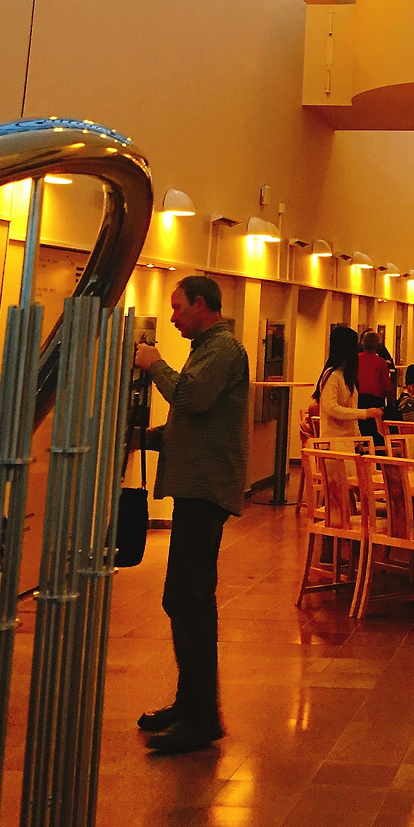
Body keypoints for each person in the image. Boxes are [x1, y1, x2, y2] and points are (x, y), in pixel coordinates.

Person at [133, 275, 249, 755]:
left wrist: (154, 363)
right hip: (195, 488)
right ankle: (191, 704)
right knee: (190, 598)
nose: (173, 316)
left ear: (201, 304)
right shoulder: (206, 349)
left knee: (187, 598)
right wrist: (147, 438)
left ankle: (201, 717)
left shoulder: (223, 349)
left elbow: (189, 398)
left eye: (178, 307)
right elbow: (193, 421)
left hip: (205, 490)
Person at [313, 325, 384, 444]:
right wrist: (365, 413)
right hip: (333, 443)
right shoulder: (332, 376)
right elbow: (332, 409)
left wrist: (358, 438)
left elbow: (352, 412)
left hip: (350, 442)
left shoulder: (347, 376)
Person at [356, 330, 394, 414]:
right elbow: (387, 384)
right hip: (376, 399)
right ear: (377, 346)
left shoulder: (356, 359)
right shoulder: (381, 362)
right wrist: (391, 404)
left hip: (359, 397)